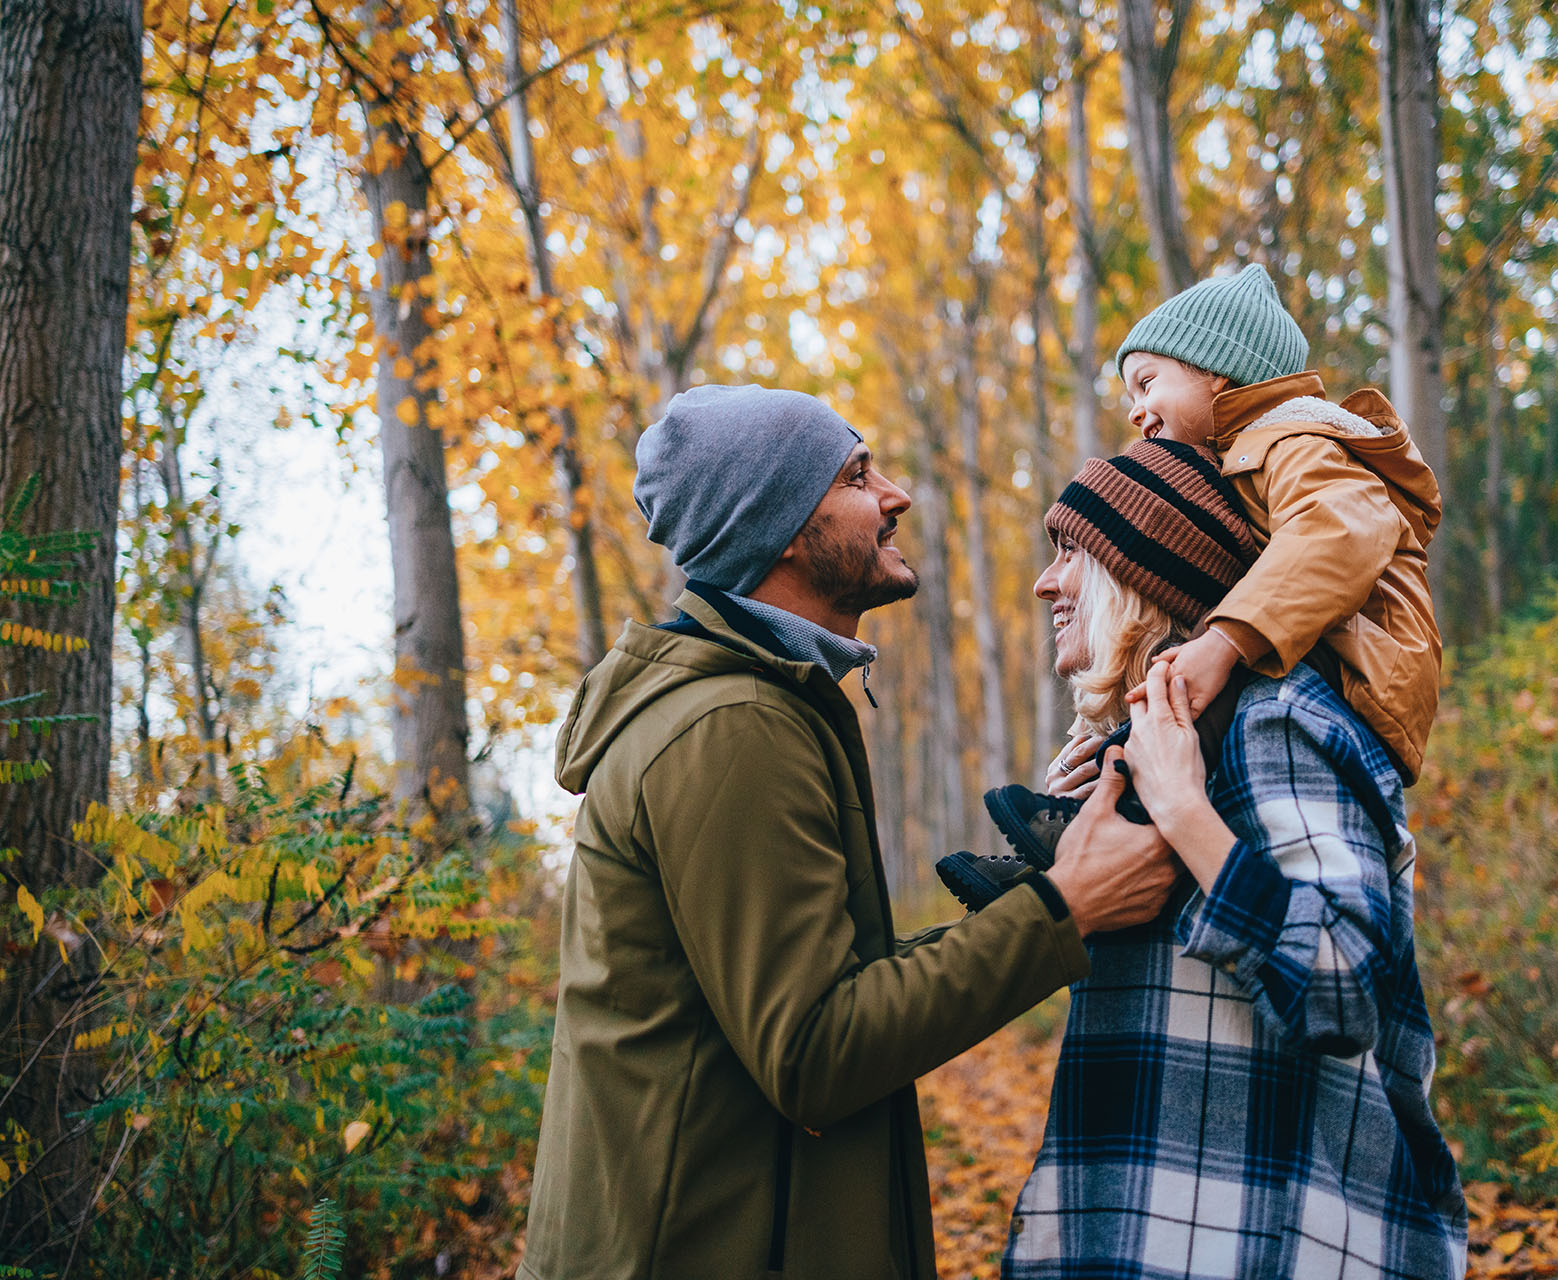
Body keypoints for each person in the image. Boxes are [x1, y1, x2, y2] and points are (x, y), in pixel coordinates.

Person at [518, 384, 1180, 1280]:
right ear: (786, 525)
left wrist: (1041, 900)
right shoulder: (729, 728)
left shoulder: (757, 704)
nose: (896, 494)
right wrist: (1066, 911)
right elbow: (815, 1052)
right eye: (859, 475)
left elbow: (822, 988)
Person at [997, 439, 1467, 1279]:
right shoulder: (1169, 742)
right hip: (1159, 1234)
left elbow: (1344, 984)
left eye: (1069, 550)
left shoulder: (1275, 721)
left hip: (1271, 1246)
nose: (1045, 581)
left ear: (1145, 569)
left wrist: (1187, 817)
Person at [988, 263, 1441, 866]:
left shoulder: (1298, 443)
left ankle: (1098, 824)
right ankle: (1083, 827)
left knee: (1207, 690)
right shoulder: (1249, 459)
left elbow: (1337, 533)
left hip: (1362, 666)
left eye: (1147, 384)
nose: (1135, 411)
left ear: (1219, 375)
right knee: (1181, 702)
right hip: (1319, 645)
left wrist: (1224, 643)